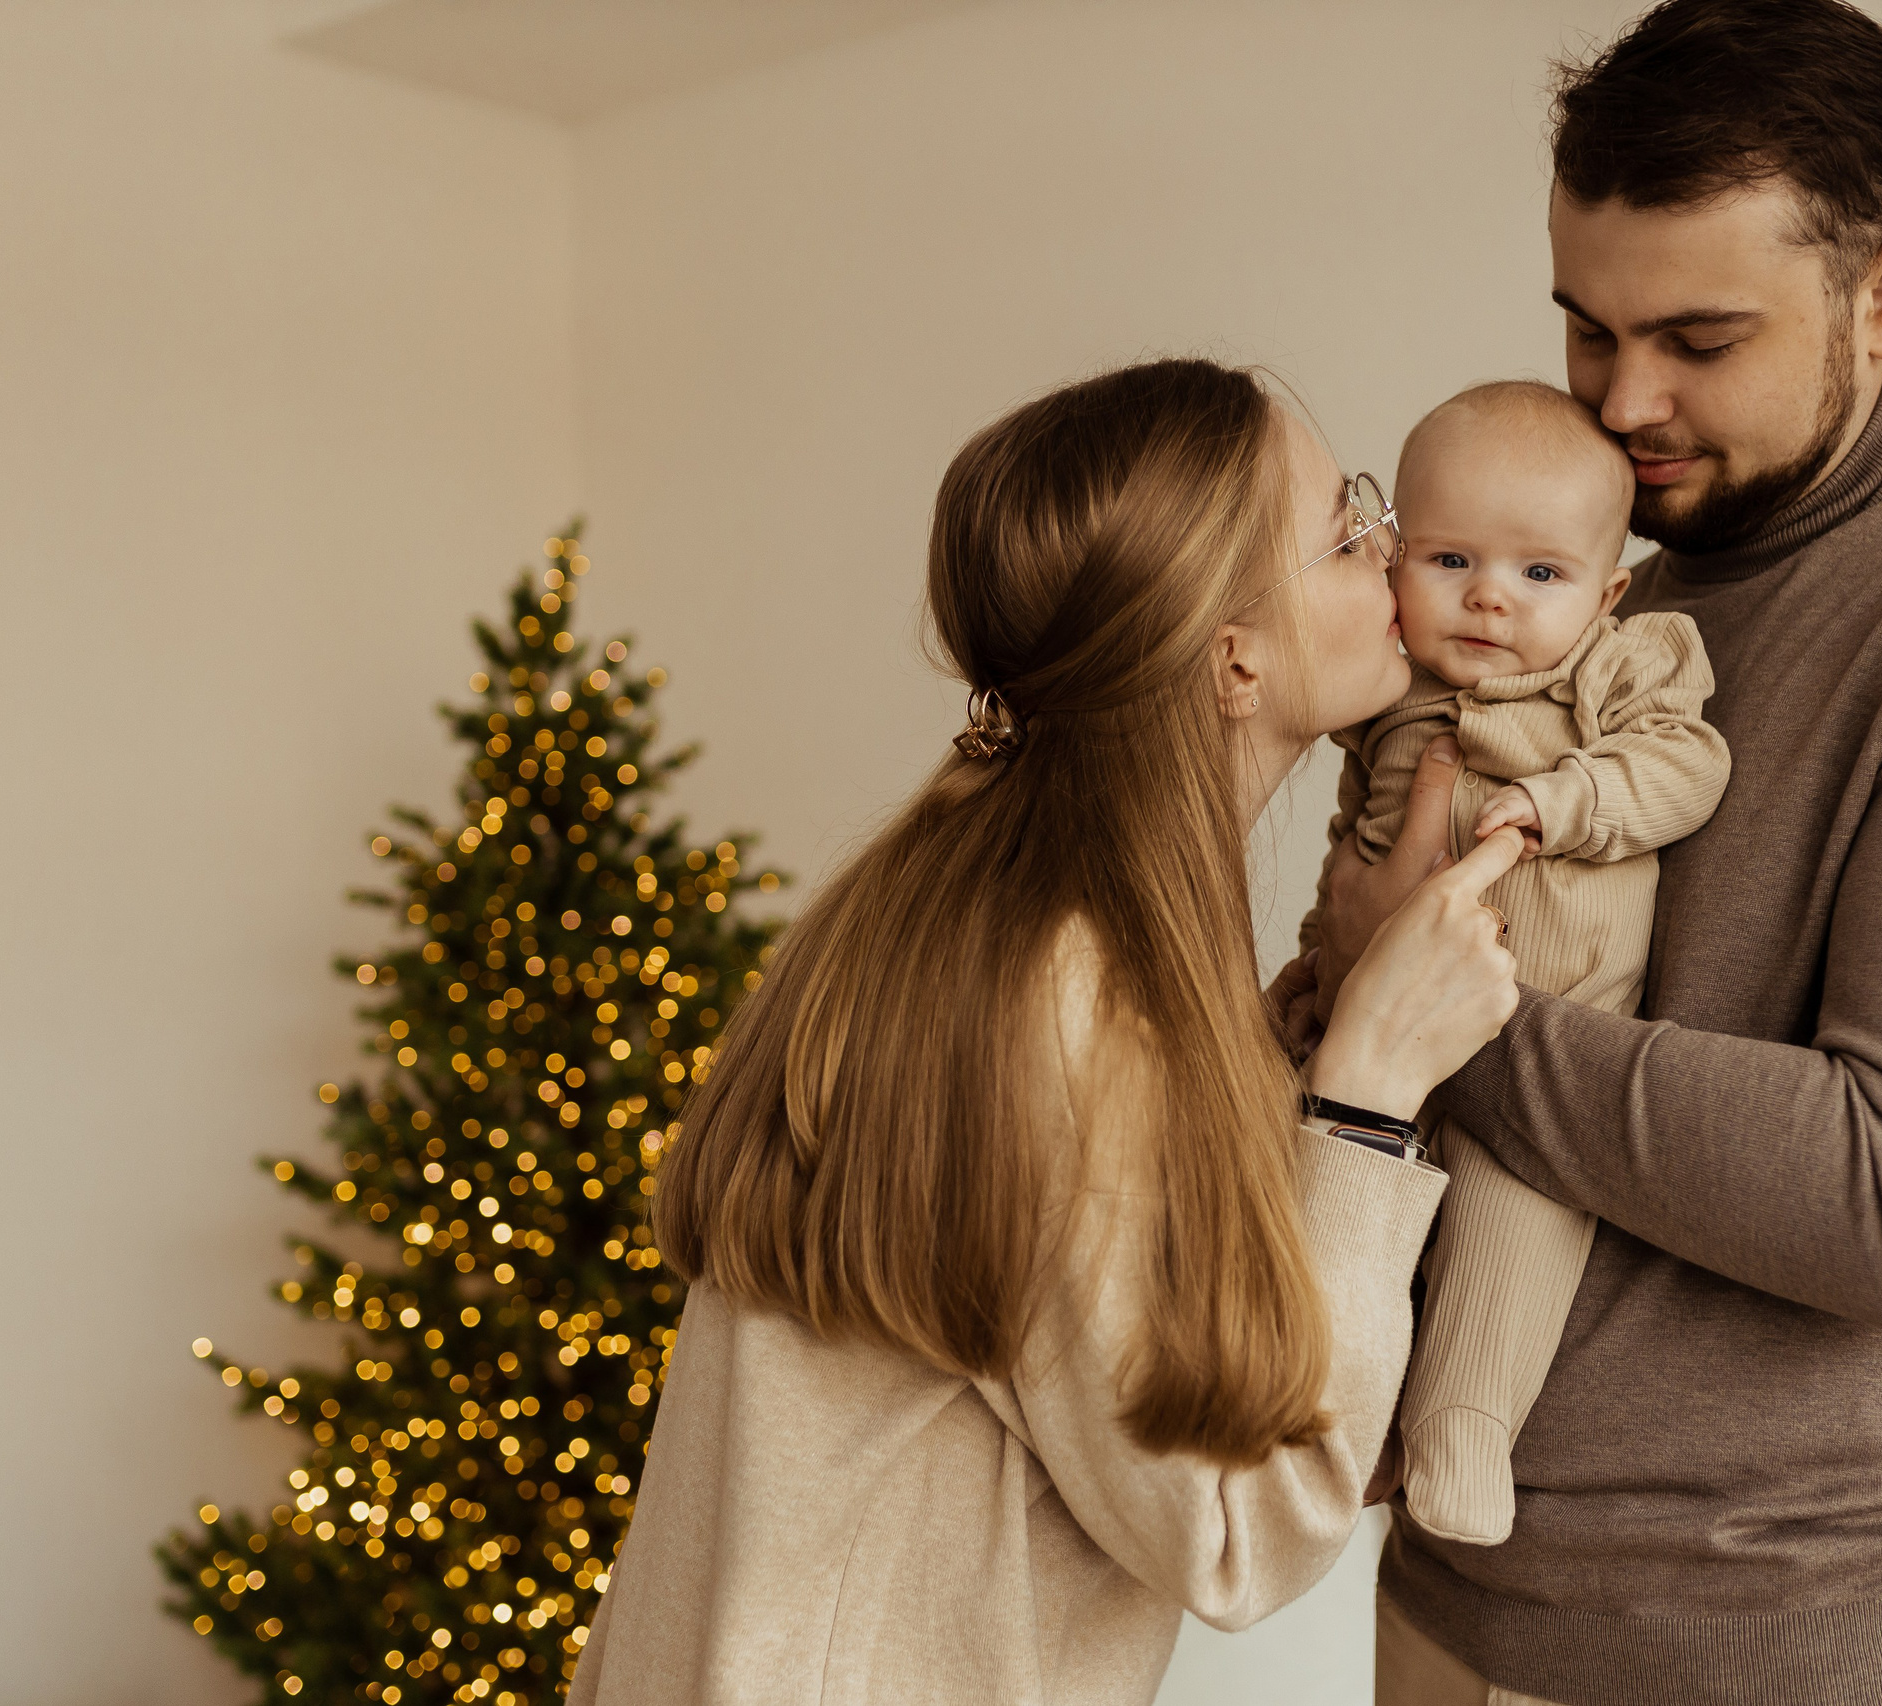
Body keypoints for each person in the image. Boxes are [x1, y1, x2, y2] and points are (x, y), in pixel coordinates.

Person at [1308, 5, 1882, 1704]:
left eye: (1700, 337)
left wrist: (1403, 996)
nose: (1627, 404)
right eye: (1586, 329)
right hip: (1439, 1615)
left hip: (1801, 1663)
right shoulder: (1552, 585)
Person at [566, 357, 1526, 1704]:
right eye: (1345, 530)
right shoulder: (1077, 1006)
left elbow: (1041, 1305)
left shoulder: (959, 902)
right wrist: (1368, 1098)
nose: (1395, 556)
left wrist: (1273, 1071)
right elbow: (1239, 1531)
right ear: (1232, 653)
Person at [1295, 381, 1729, 1548]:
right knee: (1329, 1203)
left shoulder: (1617, 666)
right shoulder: (1390, 695)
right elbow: (1357, 847)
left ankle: (1463, 1422)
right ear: (1392, 568)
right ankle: (1352, 1413)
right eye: (1448, 557)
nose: (1489, 593)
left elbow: (1686, 767)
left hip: (1537, 1022)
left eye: (1540, 573)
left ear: (1606, 591)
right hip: (1378, 1020)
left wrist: (1557, 800)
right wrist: (1311, 974)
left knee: (1508, 1216)